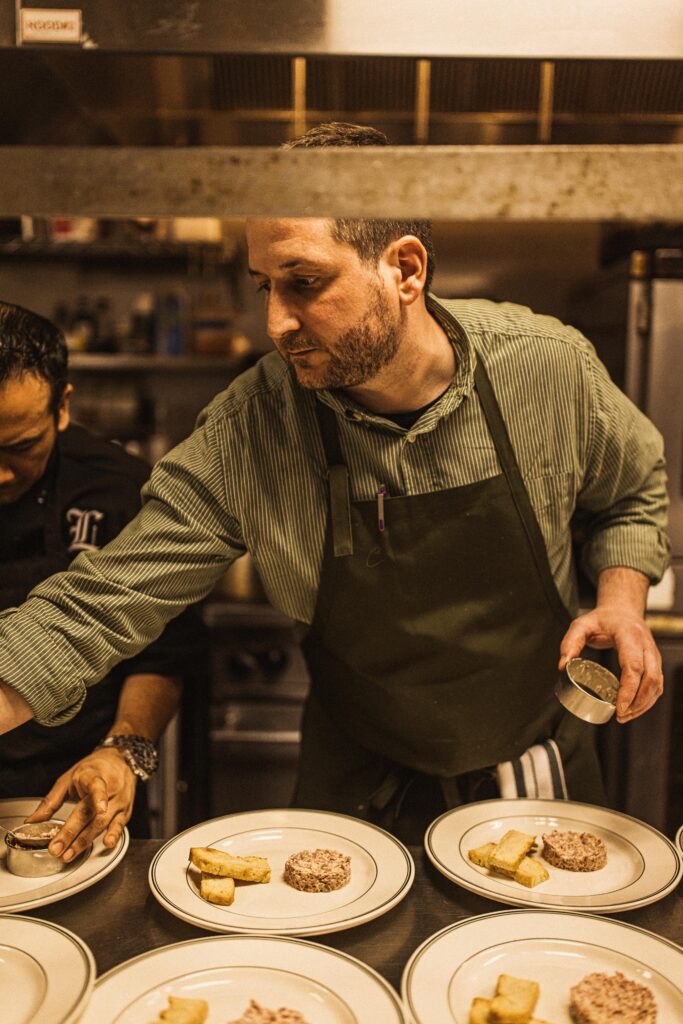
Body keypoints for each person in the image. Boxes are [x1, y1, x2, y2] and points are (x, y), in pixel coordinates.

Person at [0, 124, 669, 842]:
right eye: (264, 286)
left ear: (405, 270)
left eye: (305, 283)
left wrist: (622, 603)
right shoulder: (253, 428)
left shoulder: (546, 369)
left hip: (532, 756)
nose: (274, 322)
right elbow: (101, 602)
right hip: (354, 779)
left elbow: (629, 495)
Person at [0, 300, 200, 858]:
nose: (0, 472)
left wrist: (123, 750)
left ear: (62, 406)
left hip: (75, 786)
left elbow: (161, 654)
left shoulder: (120, 488)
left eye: (20, 447)